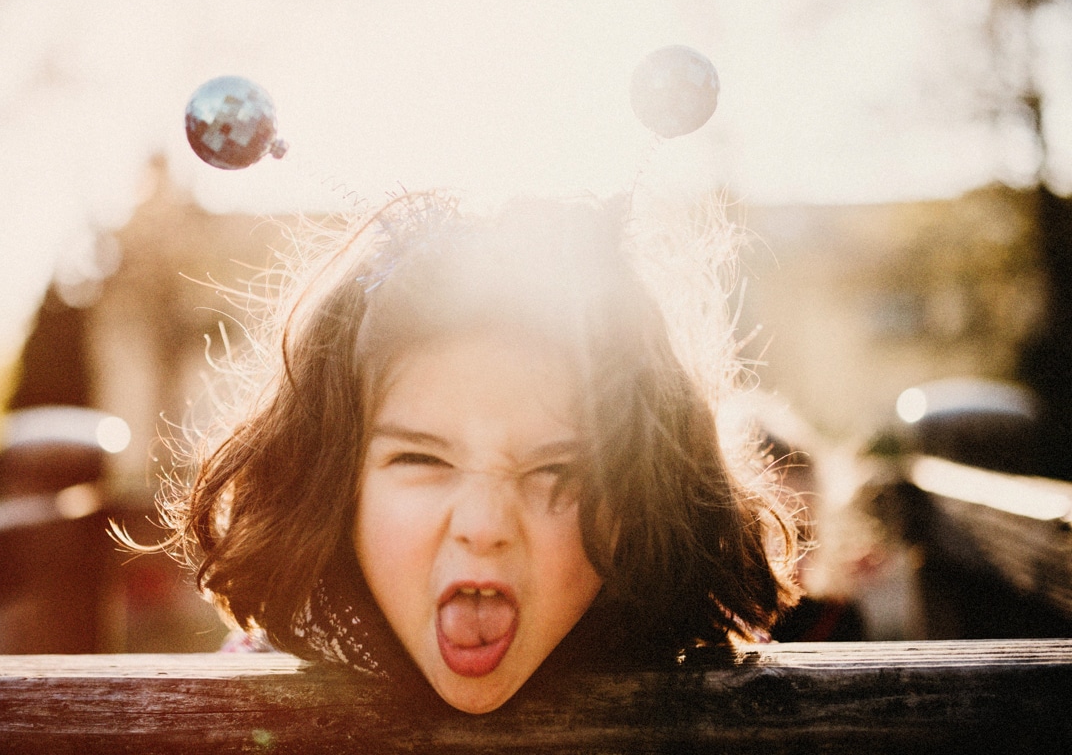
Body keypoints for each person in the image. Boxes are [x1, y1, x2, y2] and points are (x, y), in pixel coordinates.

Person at [150, 191, 800, 714]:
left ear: (642, 498)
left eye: (557, 471)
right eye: (422, 461)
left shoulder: (719, 714)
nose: (484, 528)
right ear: (333, 487)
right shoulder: (245, 709)